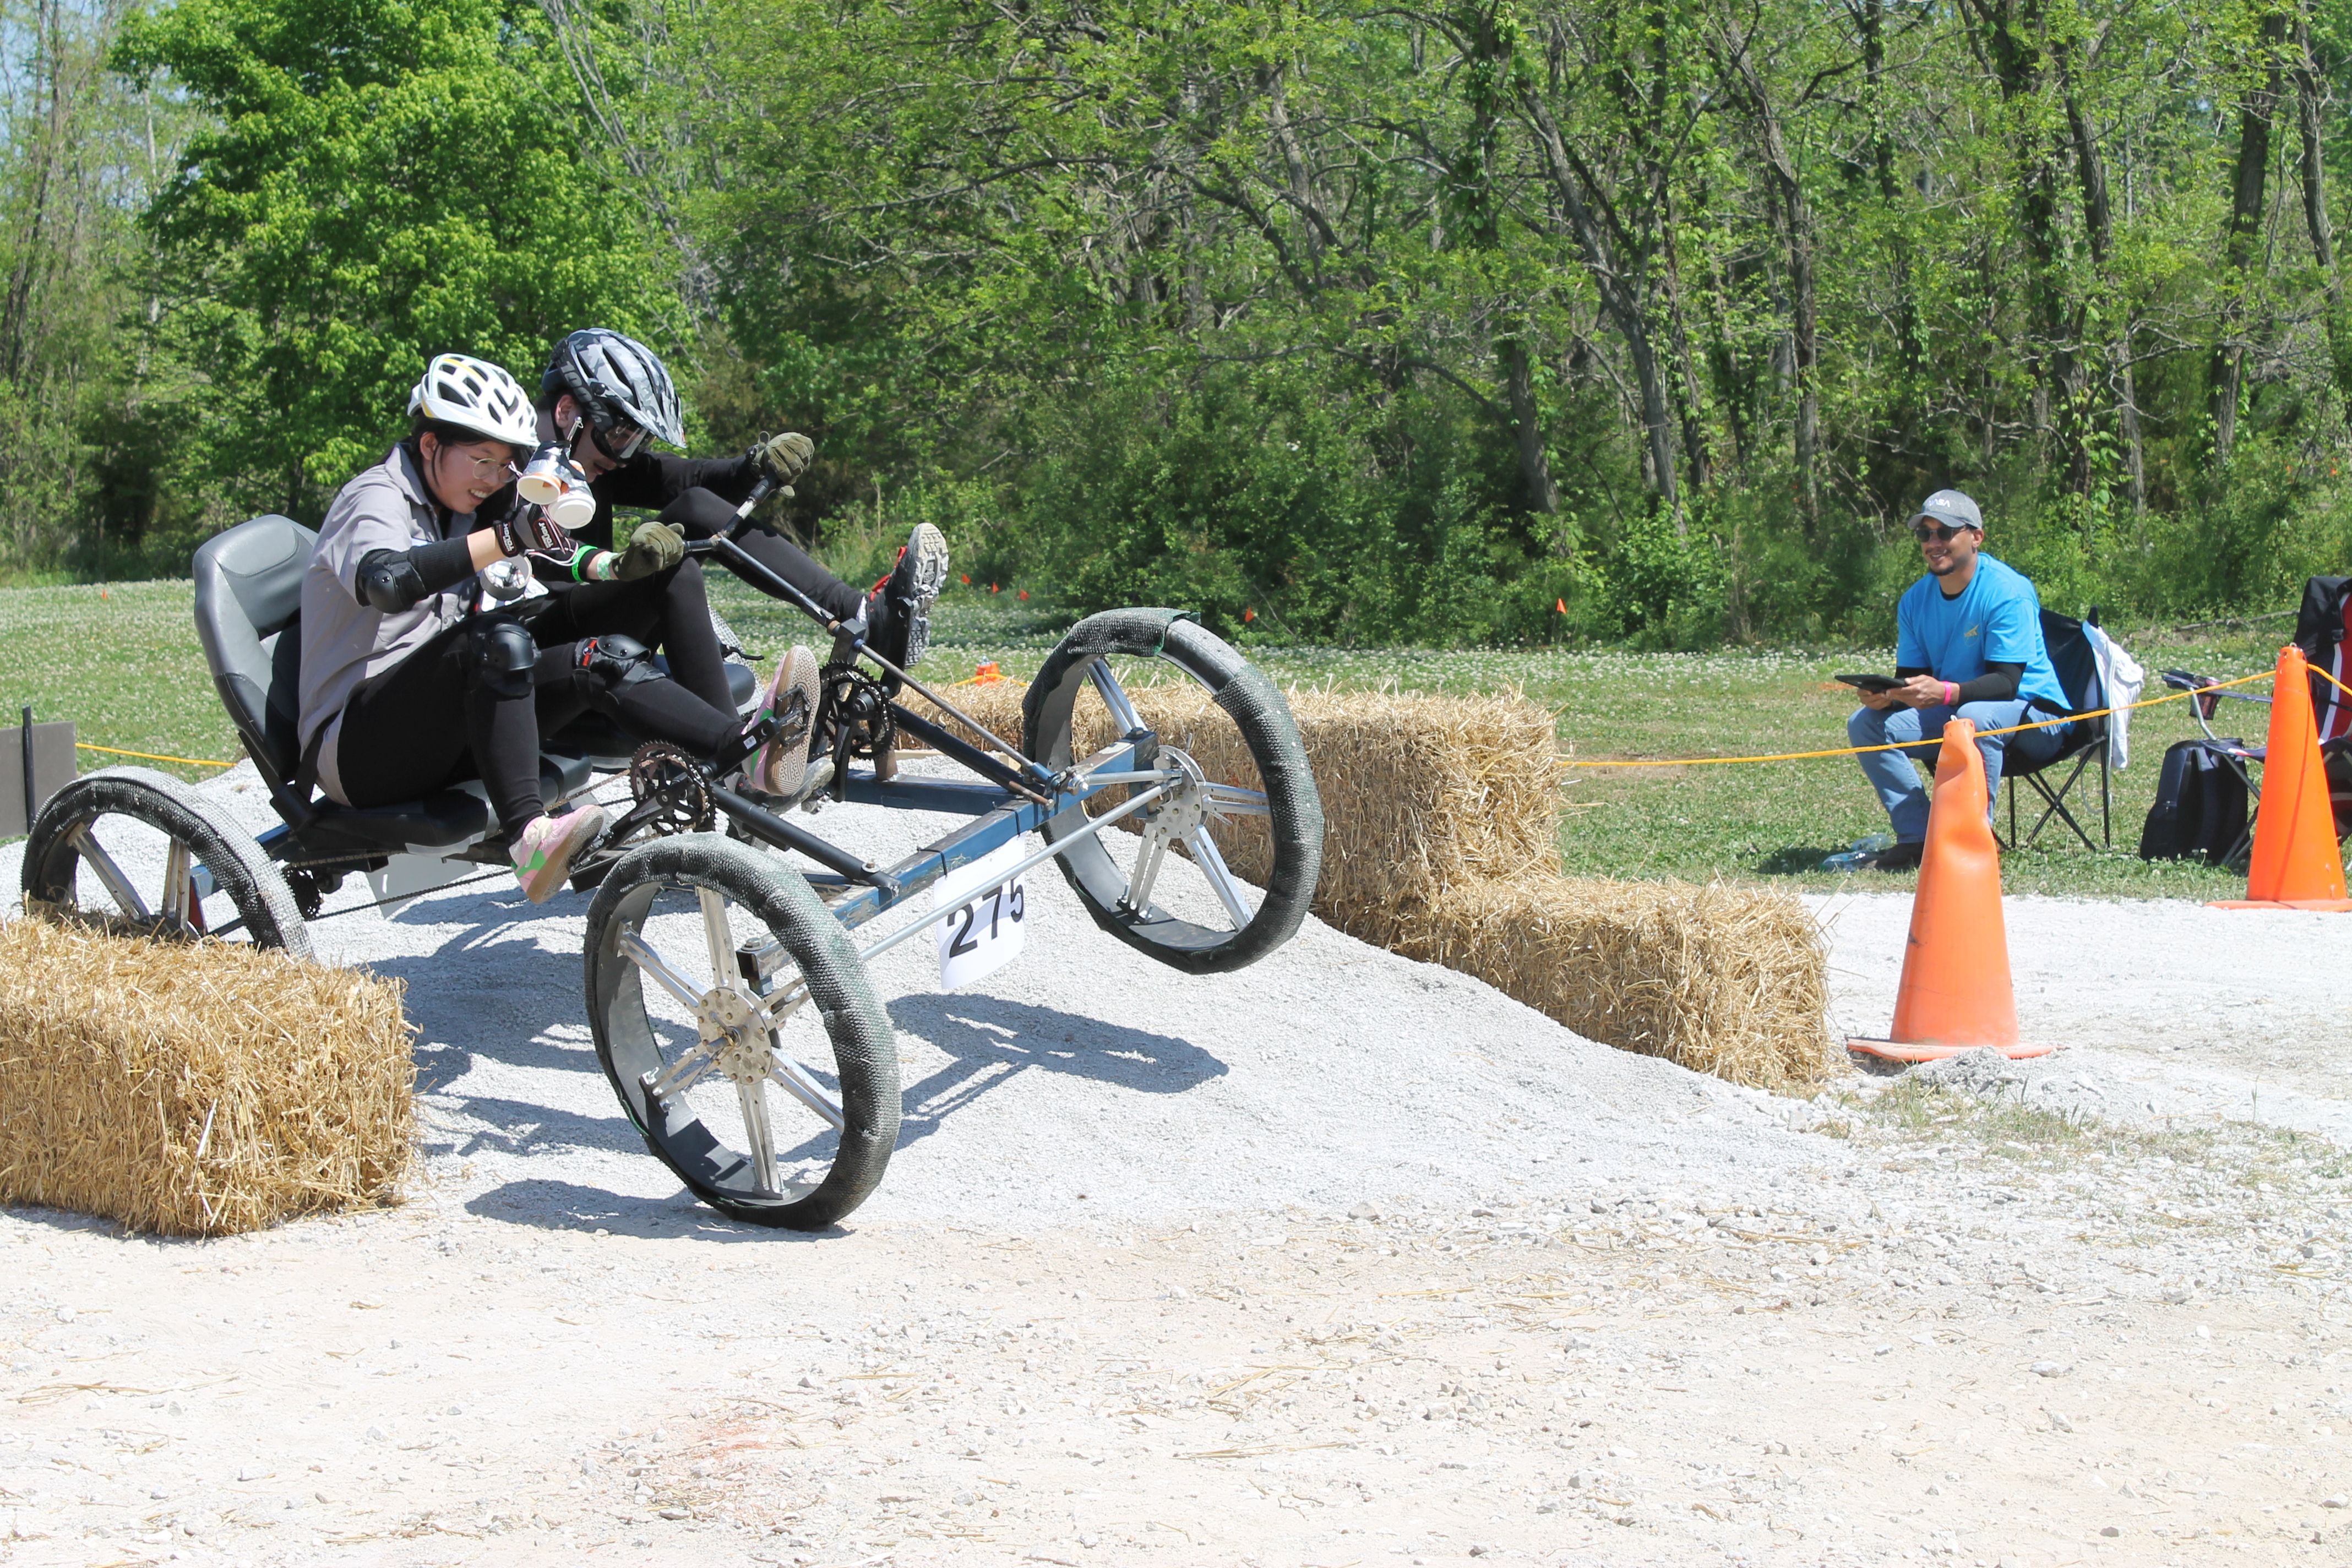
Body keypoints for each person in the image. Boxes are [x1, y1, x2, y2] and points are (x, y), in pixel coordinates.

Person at [297, 353, 814, 901]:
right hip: (360, 751)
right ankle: (530, 841)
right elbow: (387, 580)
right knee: (495, 639)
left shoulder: (456, 500)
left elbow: (549, 551)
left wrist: (616, 569)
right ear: (430, 445)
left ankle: (743, 751)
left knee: (600, 658)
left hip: (446, 727)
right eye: (482, 461)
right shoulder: (376, 495)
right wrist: (508, 538)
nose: (495, 479)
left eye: (505, 465)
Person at [522, 328, 950, 676]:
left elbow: (688, 481)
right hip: (540, 644)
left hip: (593, 622)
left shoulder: (593, 452)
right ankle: (729, 741)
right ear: (566, 412)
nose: (625, 458)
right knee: (669, 571)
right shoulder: (511, 466)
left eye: (637, 443)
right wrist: (617, 566)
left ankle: (860, 613)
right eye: (622, 437)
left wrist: (756, 464)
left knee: (691, 511)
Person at [1843, 489, 2075, 871]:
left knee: (1975, 716)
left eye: (1945, 532)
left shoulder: (2007, 591)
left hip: (2037, 718)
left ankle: (1972, 842)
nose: (1934, 543)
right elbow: (1912, 681)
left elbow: (2008, 681)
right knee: (1866, 724)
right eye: (1925, 534)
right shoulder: (1914, 601)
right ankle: (1918, 839)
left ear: (1976, 537)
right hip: (1957, 712)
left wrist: (1945, 692)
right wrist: (1891, 697)